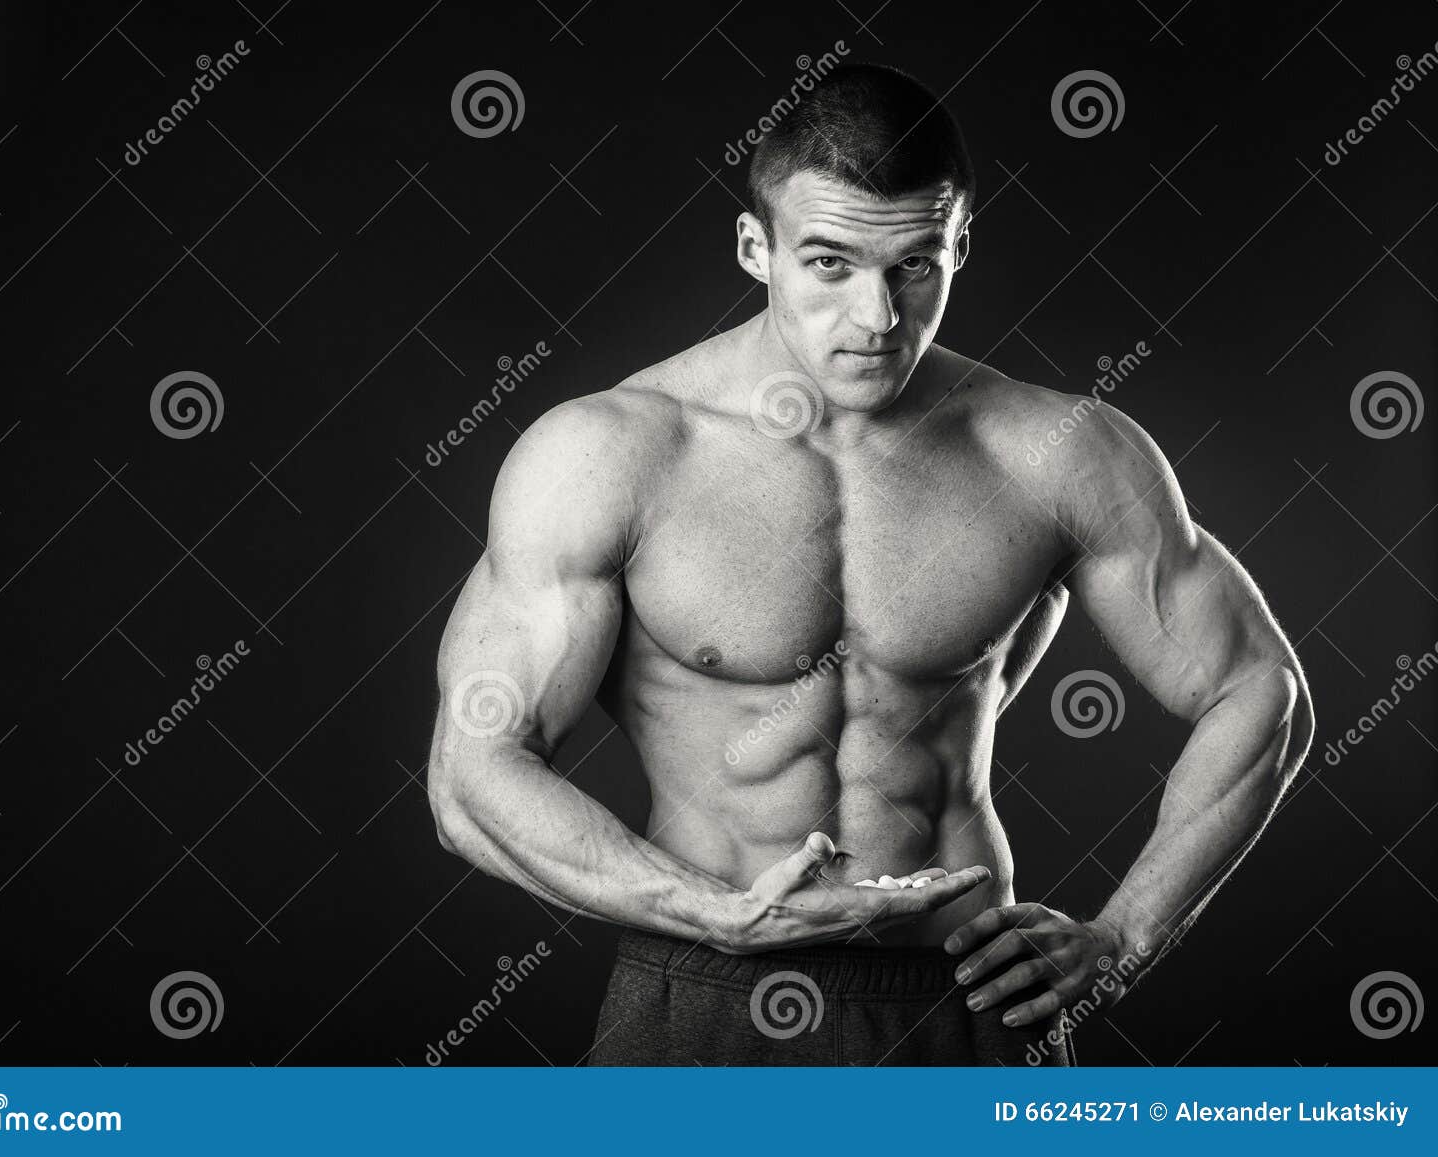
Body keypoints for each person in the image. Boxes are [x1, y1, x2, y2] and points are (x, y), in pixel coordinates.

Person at [427, 63, 1314, 1065]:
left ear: (958, 245)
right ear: (755, 247)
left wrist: (1121, 934)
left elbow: (1256, 686)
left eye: (914, 265)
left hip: (965, 1001)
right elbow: (472, 775)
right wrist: (710, 912)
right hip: (707, 996)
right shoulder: (608, 454)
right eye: (830, 264)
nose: (878, 316)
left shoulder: (1053, 450)